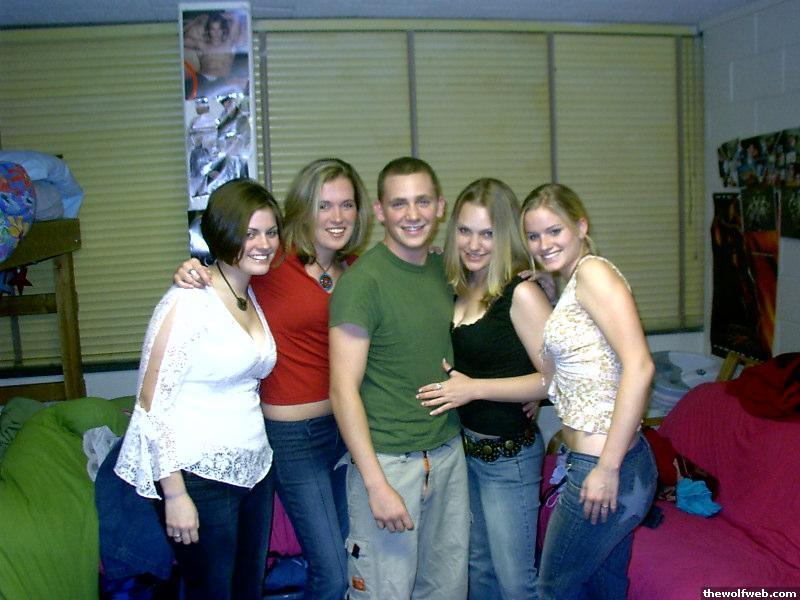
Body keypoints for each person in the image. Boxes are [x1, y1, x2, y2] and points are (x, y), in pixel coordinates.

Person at [174, 158, 371, 600]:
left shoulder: (359, 270)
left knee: (350, 557)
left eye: (346, 205)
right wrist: (191, 269)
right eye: (324, 205)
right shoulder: (272, 262)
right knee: (331, 572)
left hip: (345, 432)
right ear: (302, 209)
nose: (337, 217)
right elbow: (224, 272)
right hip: (293, 438)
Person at [114, 178, 283, 600]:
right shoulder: (188, 301)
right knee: (212, 592)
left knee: (248, 589)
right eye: (250, 233)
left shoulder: (251, 295)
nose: (264, 244)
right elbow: (150, 405)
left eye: (271, 232)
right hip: (198, 476)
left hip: (255, 470)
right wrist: (174, 493)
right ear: (223, 234)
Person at [329, 157, 469, 599]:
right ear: (380, 210)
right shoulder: (362, 283)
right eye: (399, 203)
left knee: (446, 591)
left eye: (422, 201)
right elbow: (342, 390)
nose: (412, 214)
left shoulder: (446, 270)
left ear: (440, 206)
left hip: (447, 454)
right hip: (389, 463)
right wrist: (376, 485)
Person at [415, 178, 552, 599]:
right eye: (465, 230)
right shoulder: (455, 285)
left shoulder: (522, 293)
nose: (474, 244)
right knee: (479, 571)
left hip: (509, 458)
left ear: (505, 235)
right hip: (464, 452)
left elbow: (555, 380)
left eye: (487, 233)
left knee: (515, 581)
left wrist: (474, 389)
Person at [520, 183, 657, 600]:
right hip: (607, 461)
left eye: (554, 231)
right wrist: (552, 292)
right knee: (603, 586)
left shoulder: (593, 273)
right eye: (533, 236)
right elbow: (591, 361)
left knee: (552, 588)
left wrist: (607, 468)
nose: (543, 244)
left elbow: (640, 366)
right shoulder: (577, 280)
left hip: (605, 464)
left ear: (581, 226)